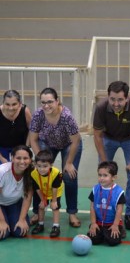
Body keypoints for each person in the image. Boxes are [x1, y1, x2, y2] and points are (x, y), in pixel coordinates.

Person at [93, 81, 130, 230]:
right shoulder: (101, 108)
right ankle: (102, 212)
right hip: (108, 138)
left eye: (120, 100)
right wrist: (104, 161)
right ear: (108, 97)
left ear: (127, 98)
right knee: (103, 175)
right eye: (112, 99)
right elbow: (97, 136)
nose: (116, 103)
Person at [29, 87, 82, 228]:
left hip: (69, 144)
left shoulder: (66, 117)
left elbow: (76, 140)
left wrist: (69, 163)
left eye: (50, 102)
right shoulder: (38, 115)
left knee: (69, 176)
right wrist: (38, 161)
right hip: (47, 142)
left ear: (57, 101)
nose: (46, 106)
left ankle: (72, 213)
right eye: (43, 102)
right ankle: (37, 211)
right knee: (38, 175)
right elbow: (33, 139)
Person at [87, 161, 125, 246]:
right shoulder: (95, 189)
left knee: (113, 241)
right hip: (98, 222)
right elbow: (92, 207)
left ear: (114, 177)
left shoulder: (119, 192)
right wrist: (93, 223)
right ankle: (101, 232)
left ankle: (119, 229)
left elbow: (119, 210)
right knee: (93, 240)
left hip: (112, 223)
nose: (101, 178)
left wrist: (115, 225)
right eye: (100, 175)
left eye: (105, 175)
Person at [0, 145, 33, 240]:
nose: (22, 162)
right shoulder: (2, 172)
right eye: (18, 158)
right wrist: (1, 221)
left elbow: (27, 197)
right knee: (2, 234)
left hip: (14, 203)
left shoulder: (32, 172)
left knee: (20, 232)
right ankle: (5, 220)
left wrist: (22, 219)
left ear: (30, 160)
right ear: (12, 158)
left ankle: (11, 220)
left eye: (25, 158)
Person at [30, 150, 64, 238]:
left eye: (45, 166)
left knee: (55, 207)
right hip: (43, 191)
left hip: (55, 192)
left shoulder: (56, 173)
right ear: (35, 164)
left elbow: (55, 188)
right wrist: (43, 200)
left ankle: (56, 226)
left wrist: (54, 201)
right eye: (39, 166)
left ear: (51, 165)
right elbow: (37, 188)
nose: (41, 169)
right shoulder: (33, 174)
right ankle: (40, 224)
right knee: (41, 206)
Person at [0, 90, 32, 164]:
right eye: (7, 104)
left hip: (20, 147)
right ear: (3, 104)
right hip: (1, 148)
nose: (10, 108)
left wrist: (26, 148)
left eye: (14, 104)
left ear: (20, 104)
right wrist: (2, 159)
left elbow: (31, 130)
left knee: (20, 167)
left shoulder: (25, 111)